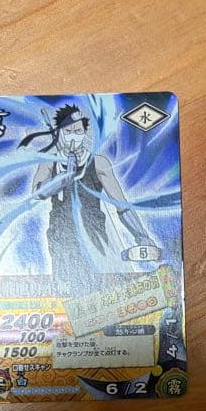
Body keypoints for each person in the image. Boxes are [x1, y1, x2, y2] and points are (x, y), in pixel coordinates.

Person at [23, 104, 156, 282]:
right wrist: (62, 179)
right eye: (68, 131)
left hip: (94, 233)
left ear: (85, 133)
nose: (73, 136)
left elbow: (121, 205)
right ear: (60, 133)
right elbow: (36, 193)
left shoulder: (98, 163)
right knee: (67, 287)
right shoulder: (50, 162)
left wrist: (141, 235)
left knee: (99, 285)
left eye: (78, 131)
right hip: (62, 235)